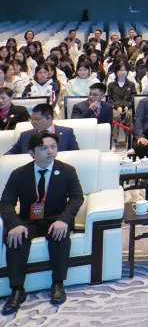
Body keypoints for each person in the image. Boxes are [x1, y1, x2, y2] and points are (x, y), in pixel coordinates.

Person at [0, 132, 83, 314]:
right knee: (16, 238)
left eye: (53, 146)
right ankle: (17, 290)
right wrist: (14, 224)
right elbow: (5, 203)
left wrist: (64, 220)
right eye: (44, 148)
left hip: (55, 218)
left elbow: (77, 198)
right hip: (28, 220)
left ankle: (58, 284)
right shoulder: (19, 174)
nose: (50, 151)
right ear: (32, 153)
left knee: (60, 235)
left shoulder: (67, 171)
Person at [6, 104, 79, 156]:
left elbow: (76, 155)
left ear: (49, 118)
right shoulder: (25, 135)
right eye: (31, 119)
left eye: (37, 119)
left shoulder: (66, 133)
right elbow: (10, 154)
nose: (32, 122)